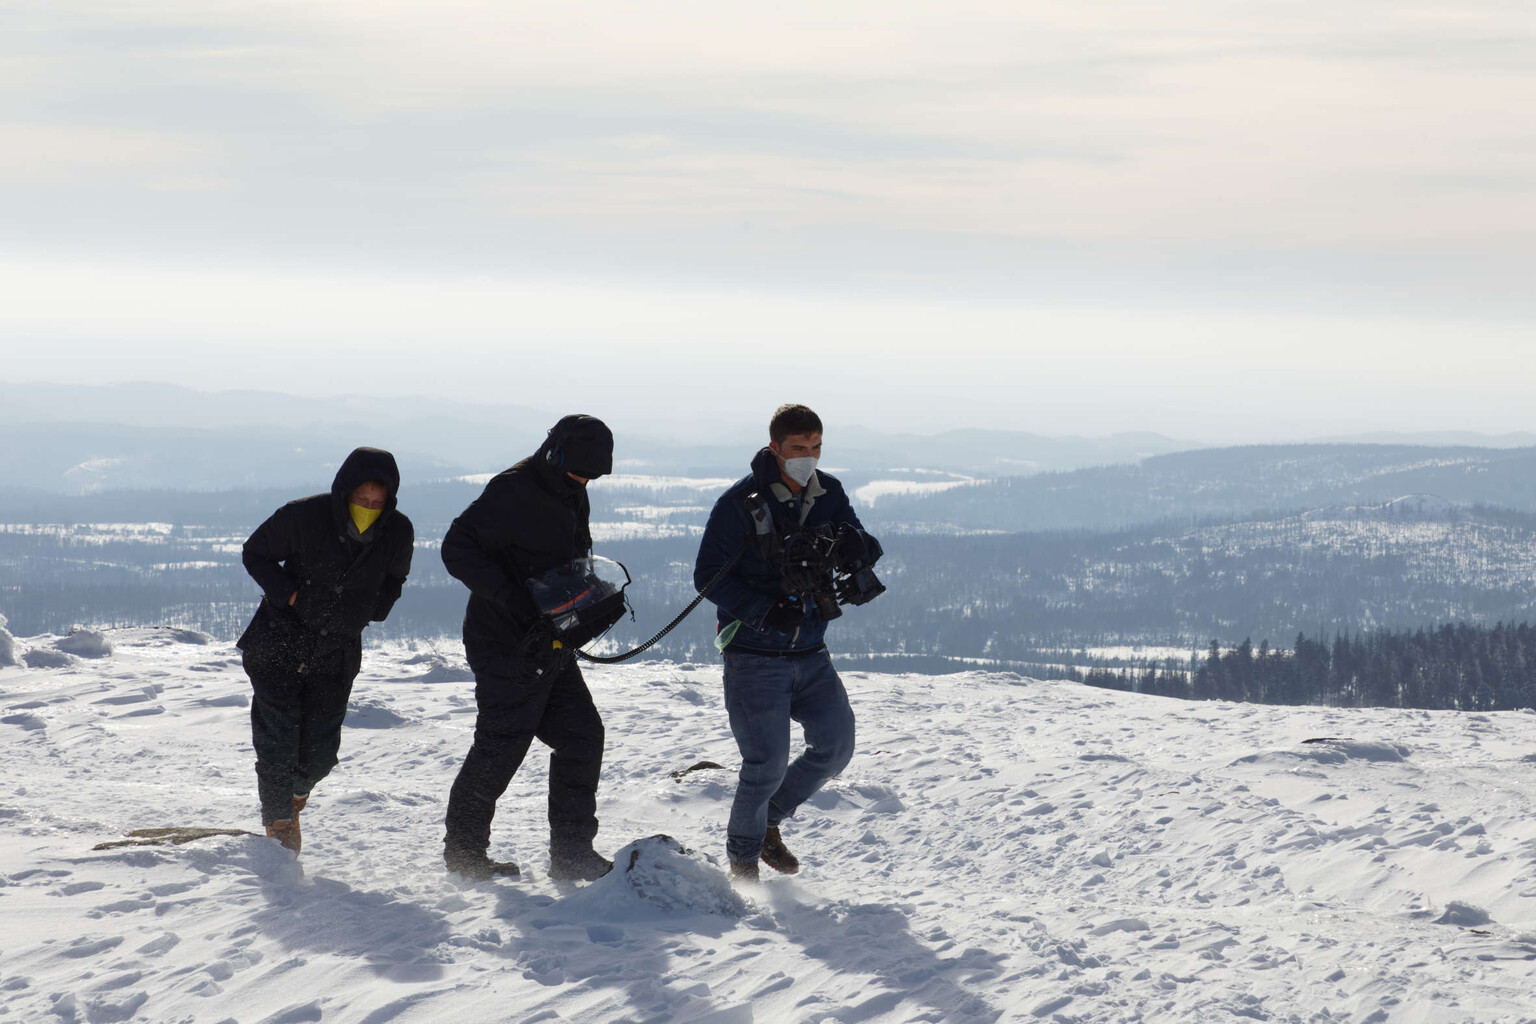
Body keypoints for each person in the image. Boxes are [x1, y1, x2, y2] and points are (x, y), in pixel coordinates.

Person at [694, 404, 883, 881]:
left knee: (836, 745)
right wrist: (765, 610)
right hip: (755, 654)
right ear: (775, 447)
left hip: (811, 649)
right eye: (799, 448)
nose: (809, 456)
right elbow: (706, 578)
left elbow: (857, 537)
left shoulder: (829, 492)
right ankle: (743, 863)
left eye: (816, 447)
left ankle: (767, 823)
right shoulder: (741, 503)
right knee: (766, 763)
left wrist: (862, 549)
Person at [439, 415, 617, 882]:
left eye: (590, 476)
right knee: (500, 747)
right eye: (578, 471)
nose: (583, 480)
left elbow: (561, 559)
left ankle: (573, 852)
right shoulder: (513, 490)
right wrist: (515, 600)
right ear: (555, 452)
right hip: (504, 644)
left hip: (548, 642)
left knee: (581, 736)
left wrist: (588, 595)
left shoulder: (570, 487)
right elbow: (456, 548)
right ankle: (464, 855)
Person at [237, 447, 414, 853]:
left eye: (377, 503)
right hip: (278, 643)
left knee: (320, 754)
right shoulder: (304, 516)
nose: (368, 508)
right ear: (344, 491)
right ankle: (280, 826)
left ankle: (295, 799)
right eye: (360, 500)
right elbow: (255, 552)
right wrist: (292, 596)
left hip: (337, 652)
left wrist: (370, 611)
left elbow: (395, 579)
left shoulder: (398, 531)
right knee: (278, 743)